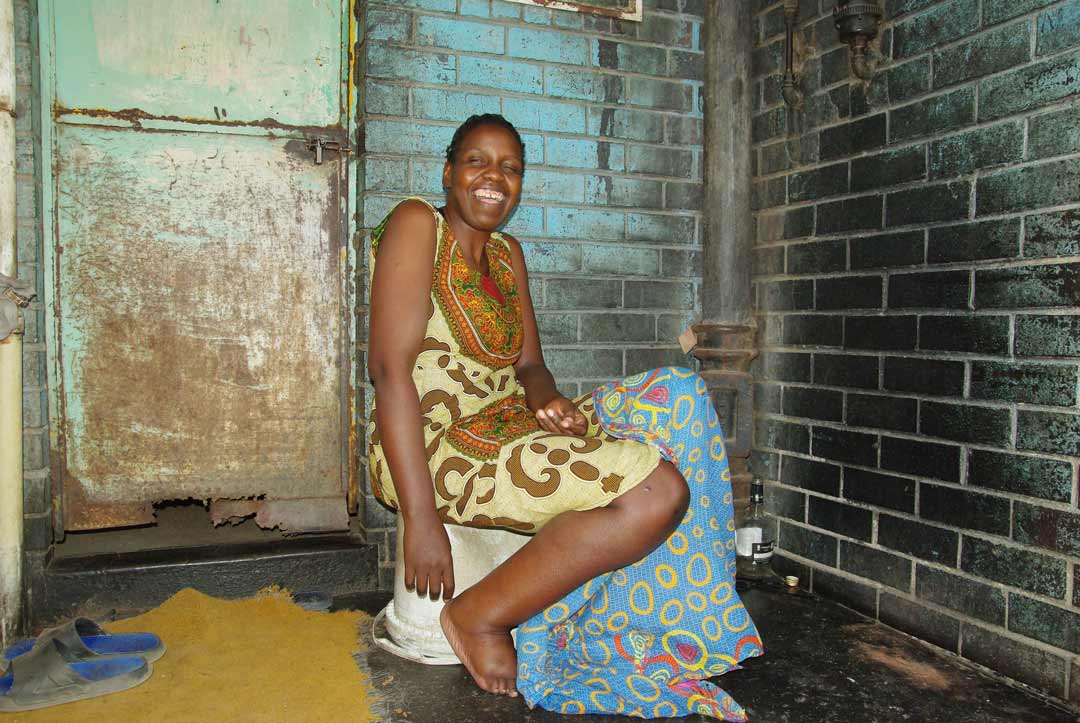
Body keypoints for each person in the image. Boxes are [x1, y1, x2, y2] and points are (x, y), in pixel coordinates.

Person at [368, 114, 759, 718]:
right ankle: (476, 617)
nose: (494, 177)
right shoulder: (417, 224)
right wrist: (422, 519)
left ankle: (655, 616)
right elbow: (390, 372)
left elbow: (530, 368)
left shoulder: (508, 256)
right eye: (477, 161)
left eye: (511, 168)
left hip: (505, 426)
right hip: (432, 444)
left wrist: (547, 401)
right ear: (448, 172)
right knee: (657, 492)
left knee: (680, 395)